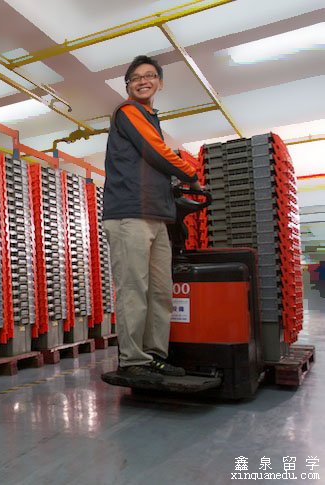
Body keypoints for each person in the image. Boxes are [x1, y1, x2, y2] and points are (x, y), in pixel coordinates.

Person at [102, 55, 202, 381]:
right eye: (136, 78)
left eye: (149, 76)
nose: (143, 81)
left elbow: (151, 164)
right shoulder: (129, 111)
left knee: (160, 292)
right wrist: (191, 175)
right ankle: (133, 360)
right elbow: (156, 151)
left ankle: (154, 356)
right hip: (129, 214)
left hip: (157, 216)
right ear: (128, 86)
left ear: (159, 82)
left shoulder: (149, 118)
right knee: (134, 290)